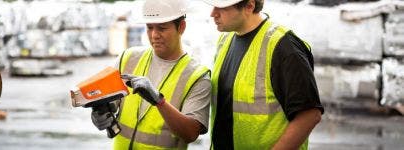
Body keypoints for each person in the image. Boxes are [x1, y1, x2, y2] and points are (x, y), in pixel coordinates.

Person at [200, 0, 324, 149]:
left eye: (222, 8)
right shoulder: (225, 40)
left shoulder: (284, 46)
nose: (213, 13)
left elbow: (309, 115)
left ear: (249, 6)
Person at [91, 0, 211, 149]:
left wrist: (159, 101)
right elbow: (108, 103)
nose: (154, 35)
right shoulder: (127, 58)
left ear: (181, 27)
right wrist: (100, 115)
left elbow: (191, 133)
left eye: (162, 28)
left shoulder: (197, 76)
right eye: (149, 27)